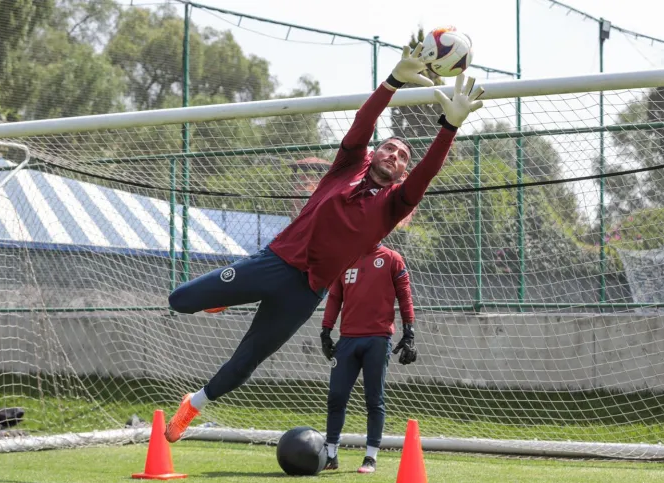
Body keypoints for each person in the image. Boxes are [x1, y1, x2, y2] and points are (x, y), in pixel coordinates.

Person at [164, 43, 485, 443]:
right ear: (373, 155)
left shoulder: (395, 204)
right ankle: (226, 295)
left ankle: (192, 404)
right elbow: (365, 122)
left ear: (404, 172)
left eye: (403, 156)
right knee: (180, 300)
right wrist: (393, 82)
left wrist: (448, 127)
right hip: (274, 263)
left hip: (305, 291)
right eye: (389, 147)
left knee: (245, 365)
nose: (396, 154)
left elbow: (429, 171)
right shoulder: (347, 166)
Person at [319, 243, 416, 474]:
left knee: (374, 399)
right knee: (336, 396)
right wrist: (325, 331)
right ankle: (331, 454)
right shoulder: (346, 257)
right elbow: (334, 297)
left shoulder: (392, 259)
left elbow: (405, 296)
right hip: (347, 340)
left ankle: (370, 457)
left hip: (378, 339)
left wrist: (409, 332)